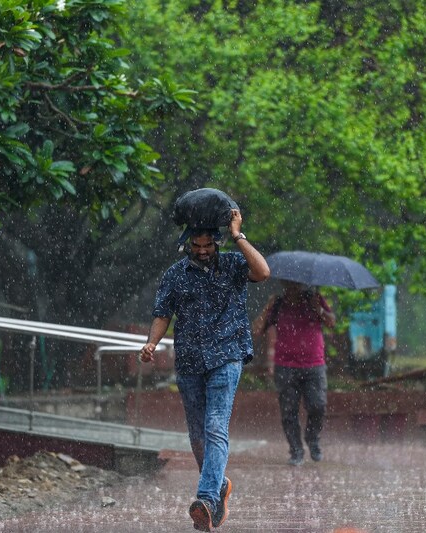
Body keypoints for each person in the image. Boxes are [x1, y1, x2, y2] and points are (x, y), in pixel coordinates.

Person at [140, 209, 269, 532]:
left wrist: (238, 234)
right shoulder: (175, 275)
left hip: (227, 355)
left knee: (215, 427)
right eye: (196, 246)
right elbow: (162, 313)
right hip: (189, 361)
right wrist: (151, 343)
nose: (202, 251)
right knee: (197, 435)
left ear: (217, 242)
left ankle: (207, 499)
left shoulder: (234, 265)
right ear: (187, 244)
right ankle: (219, 484)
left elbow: (263, 271)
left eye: (207, 245)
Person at [259, 280, 335, 466]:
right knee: (288, 411)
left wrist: (319, 309)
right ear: (284, 283)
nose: (293, 287)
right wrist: (267, 308)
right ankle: (296, 450)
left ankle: (312, 437)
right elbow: (257, 330)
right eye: (289, 284)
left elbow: (331, 322)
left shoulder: (314, 299)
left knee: (318, 405)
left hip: (314, 364)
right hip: (285, 366)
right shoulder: (278, 304)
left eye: (297, 284)